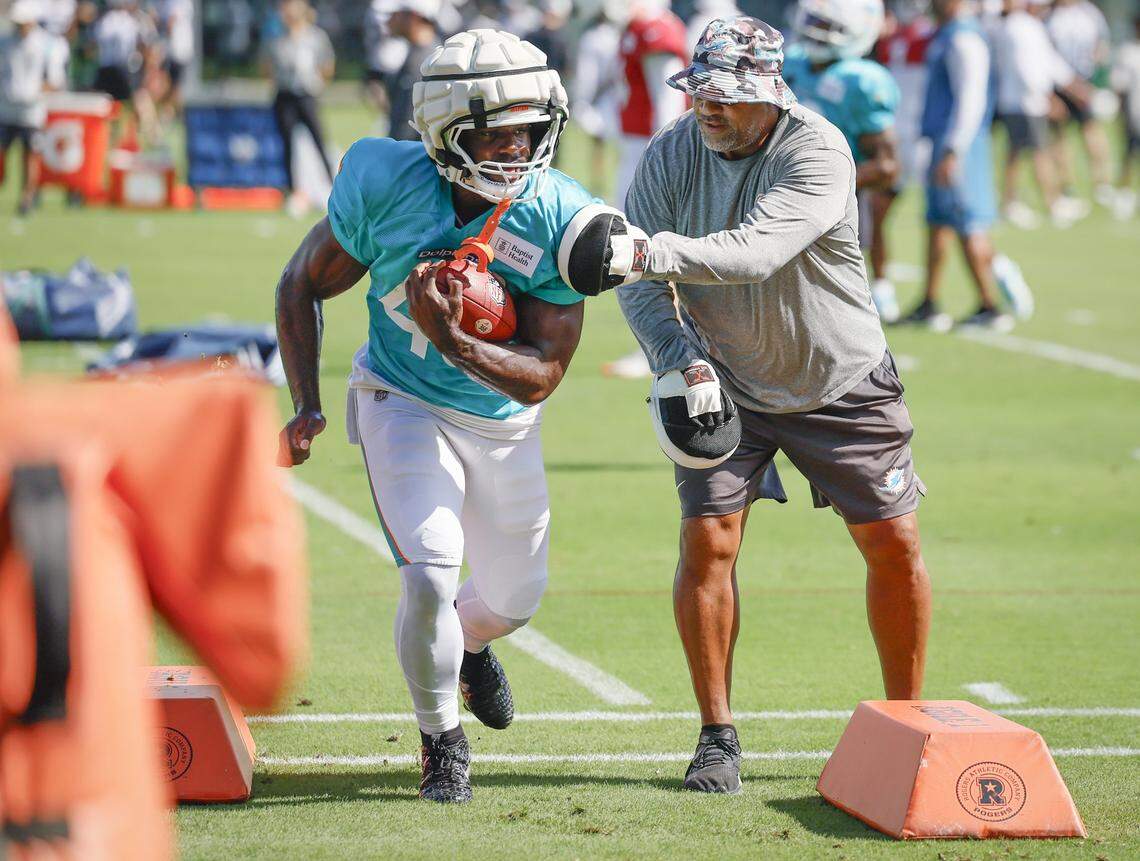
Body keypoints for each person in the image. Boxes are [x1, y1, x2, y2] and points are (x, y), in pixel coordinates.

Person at [578, 15, 933, 796]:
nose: (709, 108)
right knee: (708, 543)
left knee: (894, 543)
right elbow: (640, 284)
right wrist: (679, 359)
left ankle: (907, 720)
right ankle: (716, 734)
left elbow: (754, 251)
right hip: (722, 376)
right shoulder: (673, 149)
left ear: (771, 95)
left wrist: (648, 248)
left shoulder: (817, 148)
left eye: (729, 97)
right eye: (700, 91)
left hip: (837, 376)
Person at [275, 29, 597, 803]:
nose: (518, 146)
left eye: (529, 126)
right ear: (448, 131)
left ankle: (470, 644)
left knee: (514, 597)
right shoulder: (386, 183)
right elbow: (301, 282)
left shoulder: (555, 214)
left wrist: (452, 338)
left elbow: (542, 374)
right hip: (400, 400)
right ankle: (440, 737)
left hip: (502, 422)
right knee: (430, 569)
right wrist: (308, 404)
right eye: (498, 129)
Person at [900, 0, 1031, 331]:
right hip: (941, 142)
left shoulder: (964, 38)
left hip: (959, 145)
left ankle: (991, 304)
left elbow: (971, 98)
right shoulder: (945, 34)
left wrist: (954, 148)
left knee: (969, 223)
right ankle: (929, 302)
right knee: (938, 222)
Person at [784, 0, 903, 322]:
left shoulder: (861, 80)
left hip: (832, 204)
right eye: (815, 23)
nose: (816, 33)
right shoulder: (792, 62)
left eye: (828, 27)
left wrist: (822, 180)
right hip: (780, 191)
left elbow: (887, 167)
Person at [992, 0, 1088, 230]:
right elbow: (1027, 67)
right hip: (1026, 101)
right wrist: (1047, 97)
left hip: (1021, 100)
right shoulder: (1020, 27)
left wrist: (1075, 89)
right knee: (1039, 152)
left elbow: (1050, 63)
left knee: (1016, 153)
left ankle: (1010, 202)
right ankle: (1051, 202)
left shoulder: (1026, 26)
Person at [264, 0, 335, 211]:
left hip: (307, 94)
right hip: (285, 95)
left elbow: (327, 64)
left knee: (319, 141)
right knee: (287, 144)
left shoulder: (315, 36)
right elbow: (267, 66)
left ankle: (333, 187)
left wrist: (318, 84)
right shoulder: (276, 38)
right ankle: (293, 192)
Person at [1046, 0, 1114, 207]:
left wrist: (1095, 80)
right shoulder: (1050, 16)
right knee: (1059, 136)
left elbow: (1101, 47)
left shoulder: (1089, 13)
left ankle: (1102, 183)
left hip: (1085, 81)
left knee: (1091, 131)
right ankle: (1067, 186)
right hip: (1059, 85)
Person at [0, 0, 60, 216]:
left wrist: (33, 93)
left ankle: (26, 198)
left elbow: (54, 79)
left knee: (30, 156)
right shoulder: (4, 42)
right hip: (6, 109)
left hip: (32, 111)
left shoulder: (46, 45)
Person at [383, 0, 441, 142]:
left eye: (395, 14)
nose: (388, 21)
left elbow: (407, 126)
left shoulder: (427, 62)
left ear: (413, 16)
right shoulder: (422, 55)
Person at [1110, 14, 1140, 220]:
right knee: (1129, 157)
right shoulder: (1128, 53)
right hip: (1135, 115)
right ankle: (1125, 196)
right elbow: (1120, 87)